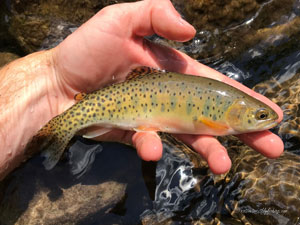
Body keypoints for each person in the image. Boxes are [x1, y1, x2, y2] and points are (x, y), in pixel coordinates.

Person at [0, 0, 283, 180]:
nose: (263, 119)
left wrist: (51, 77)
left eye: (259, 116)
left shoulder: (226, 114)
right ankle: (57, 133)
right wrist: (53, 76)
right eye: (259, 116)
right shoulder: (220, 122)